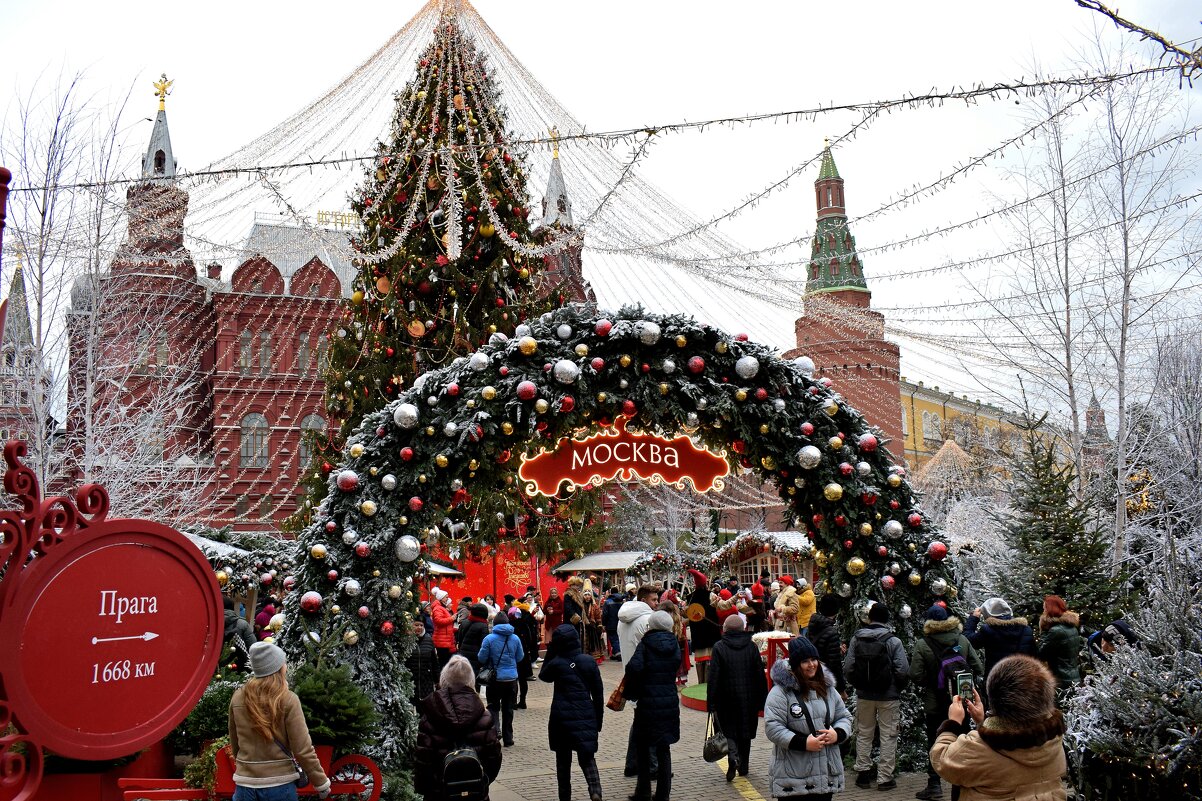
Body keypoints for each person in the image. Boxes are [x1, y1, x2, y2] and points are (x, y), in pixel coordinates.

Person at [930, 655, 1069, 801]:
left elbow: (942, 761)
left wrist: (953, 723)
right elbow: (1014, 733)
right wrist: (982, 722)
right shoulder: (1053, 739)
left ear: (995, 697)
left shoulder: (979, 748)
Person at [228, 642, 331, 800]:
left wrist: (246, 768)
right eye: (283, 662)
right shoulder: (288, 699)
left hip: (244, 787)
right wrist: (321, 782)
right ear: (276, 668)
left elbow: (235, 742)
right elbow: (302, 749)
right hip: (279, 786)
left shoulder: (238, 697)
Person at [909, 604, 984, 800]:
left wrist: (934, 682)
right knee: (964, 740)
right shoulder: (962, 639)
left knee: (935, 741)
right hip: (962, 701)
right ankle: (963, 783)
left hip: (935, 703)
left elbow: (915, 674)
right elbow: (978, 667)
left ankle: (934, 785)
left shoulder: (922, 644)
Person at [764, 636, 853, 801]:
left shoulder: (827, 688)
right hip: (793, 775)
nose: (811, 664)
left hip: (825, 773)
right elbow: (772, 727)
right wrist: (803, 743)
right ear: (796, 664)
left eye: (814, 659)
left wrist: (838, 734)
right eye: (805, 661)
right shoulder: (780, 693)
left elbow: (844, 716)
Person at [415, 655, 503, 801]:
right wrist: (481, 781)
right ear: (471, 681)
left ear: (443, 680)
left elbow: (423, 763)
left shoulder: (430, 718)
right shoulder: (484, 717)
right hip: (475, 793)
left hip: (438, 794)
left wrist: (426, 788)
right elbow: (494, 758)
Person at [843, 601, 909, 791]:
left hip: (864, 695)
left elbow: (848, 667)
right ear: (887, 620)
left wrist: (858, 684)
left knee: (864, 733)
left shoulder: (857, 639)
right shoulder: (893, 641)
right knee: (889, 735)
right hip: (888, 696)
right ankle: (884, 778)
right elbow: (903, 670)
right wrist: (896, 687)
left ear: (869, 618)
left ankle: (863, 774)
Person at [540, 624, 605, 801]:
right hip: (585, 714)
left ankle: (565, 797)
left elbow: (543, 676)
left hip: (561, 717)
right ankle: (595, 790)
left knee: (563, 762)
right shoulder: (588, 661)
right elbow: (598, 693)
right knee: (587, 757)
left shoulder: (556, 664)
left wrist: (552, 650)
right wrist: (598, 720)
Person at [625, 611, 681, 801]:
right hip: (669, 700)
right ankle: (663, 794)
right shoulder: (674, 644)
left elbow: (634, 668)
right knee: (663, 748)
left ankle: (643, 791)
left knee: (643, 746)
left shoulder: (646, 644)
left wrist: (631, 692)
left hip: (648, 701)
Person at [708, 615, 768, 781]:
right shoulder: (751, 646)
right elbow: (759, 674)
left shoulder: (719, 647)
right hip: (748, 698)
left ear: (725, 629)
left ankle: (733, 757)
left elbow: (713, 677)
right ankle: (744, 767)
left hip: (725, 698)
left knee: (728, 730)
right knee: (745, 732)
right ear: (743, 629)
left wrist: (711, 702)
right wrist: (763, 698)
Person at [618, 584, 659, 777]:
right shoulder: (647, 620)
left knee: (639, 721)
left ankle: (632, 763)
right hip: (646, 677)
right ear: (643, 600)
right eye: (654, 600)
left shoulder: (624, 618)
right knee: (650, 724)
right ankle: (652, 766)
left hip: (631, 673)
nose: (656, 603)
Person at [964, 597, 1036, 687]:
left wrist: (974, 618)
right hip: (1021, 679)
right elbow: (1034, 655)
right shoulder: (1026, 629)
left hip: (996, 678)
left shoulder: (988, 630)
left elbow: (968, 640)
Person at [478, 612, 524, 747]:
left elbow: (481, 658)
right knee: (508, 709)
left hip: (495, 679)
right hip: (511, 679)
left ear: (495, 624)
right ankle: (508, 738)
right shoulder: (515, 638)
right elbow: (520, 657)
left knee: (493, 706)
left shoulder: (489, 639)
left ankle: (495, 731)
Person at [1037, 595, 1082, 693]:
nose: (1043, 611)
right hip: (1073, 677)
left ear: (1050, 610)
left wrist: (1044, 630)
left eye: (1045, 608)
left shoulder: (1056, 631)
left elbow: (1042, 654)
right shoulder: (1071, 627)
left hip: (1062, 680)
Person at [805, 595, 845, 699]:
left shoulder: (812, 624)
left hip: (811, 673)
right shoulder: (831, 631)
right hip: (825, 677)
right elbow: (835, 662)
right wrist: (841, 688)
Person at [685, 568, 721, 683]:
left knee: (700, 660)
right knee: (711, 659)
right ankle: (710, 682)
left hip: (698, 633)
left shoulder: (689, 597)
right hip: (711, 632)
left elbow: (687, 613)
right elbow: (720, 607)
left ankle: (701, 682)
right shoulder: (711, 595)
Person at [509, 598, 539, 709]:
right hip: (525, 653)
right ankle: (523, 701)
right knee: (523, 679)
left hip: (513, 653)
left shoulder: (512, 623)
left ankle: (513, 702)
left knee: (514, 679)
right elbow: (531, 637)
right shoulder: (529, 619)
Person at [406, 618, 440, 705]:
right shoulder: (406, 640)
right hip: (410, 681)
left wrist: (437, 680)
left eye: (421, 625)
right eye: (416, 625)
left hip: (426, 681)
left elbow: (434, 661)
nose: (419, 627)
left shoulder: (428, 639)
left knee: (425, 707)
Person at [456, 603, 491, 681]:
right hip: (476, 657)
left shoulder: (464, 622)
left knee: (464, 679)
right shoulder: (483, 625)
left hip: (463, 655)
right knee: (474, 679)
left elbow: (460, 639)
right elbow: (484, 644)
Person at [222, 596, 255, 671]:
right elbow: (252, 646)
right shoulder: (242, 624)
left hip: (215, 668)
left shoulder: (211, 624)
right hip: (239, 667)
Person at [431, 587, 457, 667]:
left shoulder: (441, 608)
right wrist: (451, 618)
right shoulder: (438, 608)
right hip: (442, 640)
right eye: (446, 597)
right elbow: (438, 621)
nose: (447, 599)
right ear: (441, 598)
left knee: (445, 662)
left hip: (444, 639)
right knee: (444, 662)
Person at [603, 586, 624, 661]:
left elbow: (605, 614)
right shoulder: (622, 601)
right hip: (621, 623)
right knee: (619, 638)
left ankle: (618, 654)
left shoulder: (607, 602)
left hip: (610, 623)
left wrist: (603, 624)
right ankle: (615, 654)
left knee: (614, 639)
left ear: (611, 592)